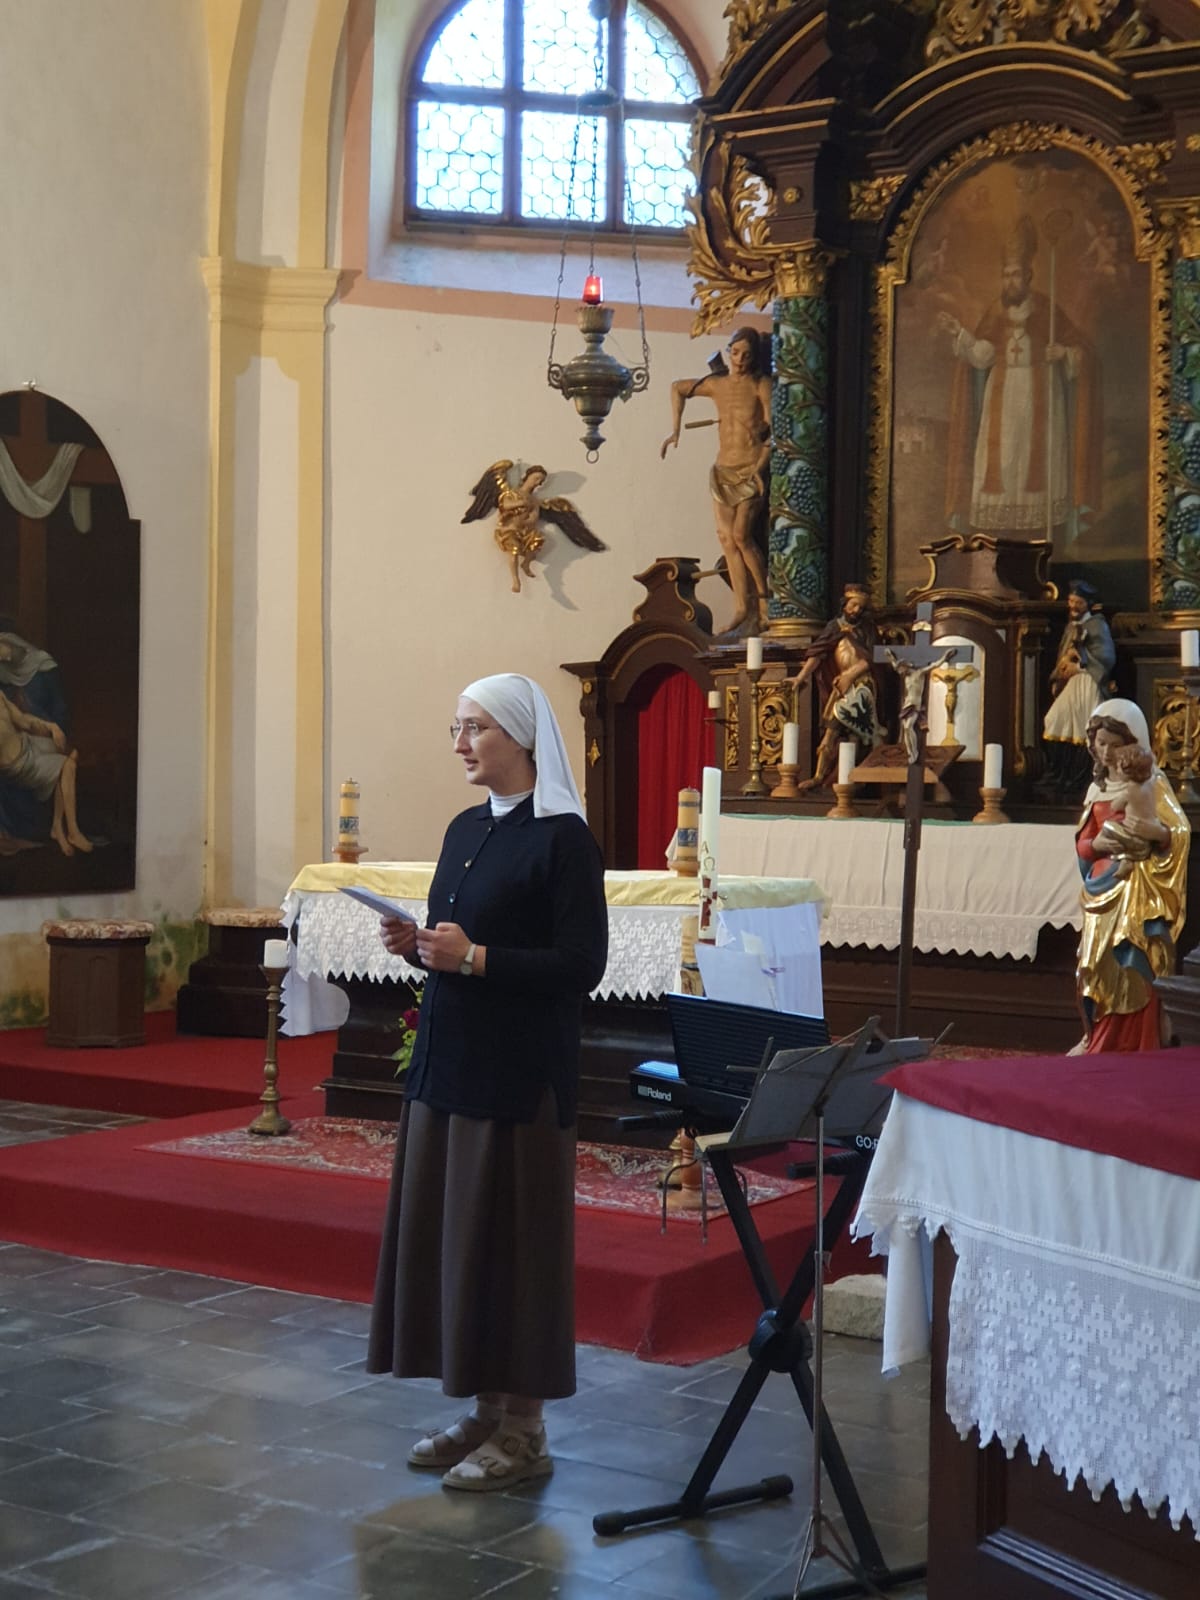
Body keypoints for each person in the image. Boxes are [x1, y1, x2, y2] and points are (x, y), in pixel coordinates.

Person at [366, 673, 607, 1491]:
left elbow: (581, 966)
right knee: (462, 1243)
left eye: (476, 728)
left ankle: (526, 1428)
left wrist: (471, 956)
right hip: (450, 1065)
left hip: (519, 1076)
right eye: (456, 728)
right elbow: (458, 942)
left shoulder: (563, 839)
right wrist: (420, 946)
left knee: (514, 1249)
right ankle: (485, 1408)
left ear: (521, 737)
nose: (461, 744)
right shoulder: (465, 826)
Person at [939, 215, 1100, 542]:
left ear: (1028, 275)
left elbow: (1083, 352)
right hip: (1002, 398)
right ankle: (1001, 532)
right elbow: (983, 356)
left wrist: (1064, 353)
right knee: (1003, 460)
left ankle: (1042, 533)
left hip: (1043, 397)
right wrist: (961, 334)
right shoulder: (995, 312)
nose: (1009, 281)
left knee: (1035, 461)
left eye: (1015, 275)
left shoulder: (1047, 310)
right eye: (1005, 275)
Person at [1073, 699, 1189, 1054]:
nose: (1107, 752)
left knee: (1137, 963)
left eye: (1115, 744)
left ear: (1133, 743)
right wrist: (1096, 844)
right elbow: (1083, 845)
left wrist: (1157, 834)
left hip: (1139, 890)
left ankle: (1139, 1043)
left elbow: (1178, 831)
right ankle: (1096, 1039)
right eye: (1100, 743)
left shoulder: (1152, 783)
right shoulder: (1097, 789)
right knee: (1093, 966)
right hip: (1101, 889)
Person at [661, 327, 772, 636]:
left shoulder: (761, 385)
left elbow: (773, 432)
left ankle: (765, 603)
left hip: (749, 468)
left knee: (741, 536)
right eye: (735, 353)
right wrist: (675, 430)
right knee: (726, 539)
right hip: (723, 468)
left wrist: (760, 468)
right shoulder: (717, 384)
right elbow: (677, 388)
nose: (740, 360)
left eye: (746, 355)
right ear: (728, 351)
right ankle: (741, 608)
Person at [789, 583, 884, 790]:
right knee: (831, 729)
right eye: (853, 605)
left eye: (860, 607)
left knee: (852, 730)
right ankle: (819, 777)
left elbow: (873, 657)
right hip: (841, 685)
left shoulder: (868, 628)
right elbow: (817, 653)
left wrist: (850, 674)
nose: (856, 610)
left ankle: (852, 779)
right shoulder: (834, 627)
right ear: (844, 604)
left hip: (863, 685)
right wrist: (800, 677)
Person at [1041, 580, 1115, 793]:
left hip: (1089, 682)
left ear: (1088, 604)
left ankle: (1082, 777)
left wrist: (1080, 665)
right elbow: (1063, 656)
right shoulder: (1071, 626)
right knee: (1055, 720)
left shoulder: (1097, 625)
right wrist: (1061, 673)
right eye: (1071, 601)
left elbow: (1106, 658)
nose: (1073, 606)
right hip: (1072, 684)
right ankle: (1060, 774)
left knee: (1086, 728)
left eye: (1078, 602)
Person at [0, 690, 91, 856]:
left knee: (72, 753)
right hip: (19, 764)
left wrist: (50, 726)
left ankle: (57, 825)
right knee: (68, 766)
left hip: (27, 743)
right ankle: (73, 832)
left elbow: (21, 719)